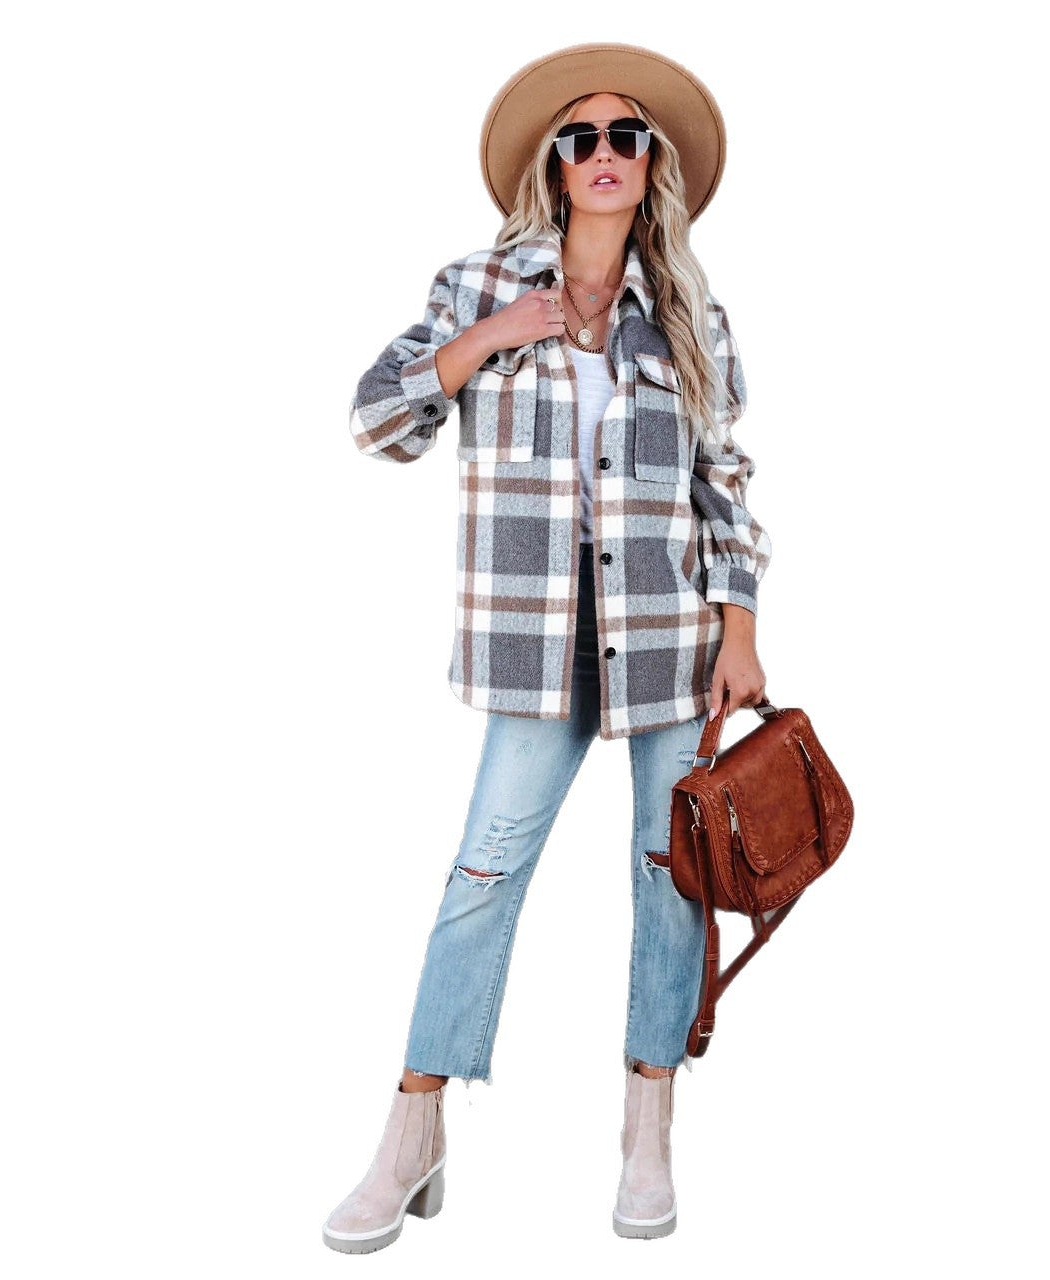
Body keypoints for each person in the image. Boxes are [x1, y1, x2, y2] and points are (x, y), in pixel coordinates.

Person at [323, 42, 772, 1251]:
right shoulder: (476, 284)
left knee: (670, 875)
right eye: (582, 137)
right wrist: (493, 335)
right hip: (532, 645)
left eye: (627, 136)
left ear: (651, 164)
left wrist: (738, 626)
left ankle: (646, 1128)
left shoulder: (687, 315)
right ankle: (412, 1131)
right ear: (555, 165)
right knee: (484, 871)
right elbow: (376, 420)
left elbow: (725, 482)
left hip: (667, 640)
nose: (604, 152)